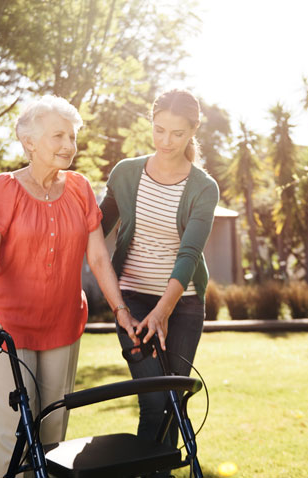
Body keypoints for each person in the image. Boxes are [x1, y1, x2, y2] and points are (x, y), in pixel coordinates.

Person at [0, 95, 138, 478]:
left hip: (62, 324)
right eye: (58, 135)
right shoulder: (3, 188)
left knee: (53, 436)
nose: (69, 146)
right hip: (4, 326)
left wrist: (121, 311)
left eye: (73, 137)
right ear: (29, 142)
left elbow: (96, 257)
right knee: (11, 437)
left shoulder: (79, 188)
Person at [100, 89, 219, 469]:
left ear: (193, 132)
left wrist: (164, 310)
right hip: (131, 299)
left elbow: (189, 254)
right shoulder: (125, 173)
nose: (166, 141)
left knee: (172, 402)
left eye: (177, 134)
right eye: (159, 130)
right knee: (154, 401)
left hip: (183, 306)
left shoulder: (203, 187)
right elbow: (92, 231)